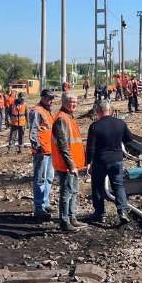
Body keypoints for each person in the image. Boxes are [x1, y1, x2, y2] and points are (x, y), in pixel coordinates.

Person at [86, 99, 132, 224]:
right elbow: (129, 139)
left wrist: (88, 162)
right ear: (110, 110)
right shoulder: (120, 123)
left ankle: (100, 213)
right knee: (118, 185)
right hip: (116, 159)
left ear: (97, 112)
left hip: (100, 161)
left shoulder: (94, 126)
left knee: (97, 187)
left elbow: (91, 147)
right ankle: (122, 211)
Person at [51, 91, 87, 232]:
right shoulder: (62, 119)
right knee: (66, 193)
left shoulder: (69, 117)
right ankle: (64, 222)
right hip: (66, 165)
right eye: (72, 102)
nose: (74, 105)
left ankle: (72, 218)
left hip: (73, 164)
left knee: (73, 191)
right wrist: (71, 165)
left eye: (76, 102)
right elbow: (63, 145)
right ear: (64, 102)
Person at [29, 89, 57, 220]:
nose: (51, 101)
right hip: (42, 152)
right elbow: (33, 132)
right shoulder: (37, 111)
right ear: (42, 98)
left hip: (51, 151)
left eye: (52, 98)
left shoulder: (49, 111)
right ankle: (38, 207)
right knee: (39, 179)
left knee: (49, 178)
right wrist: (38, 149)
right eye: (49, 98)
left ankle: (45, 202)